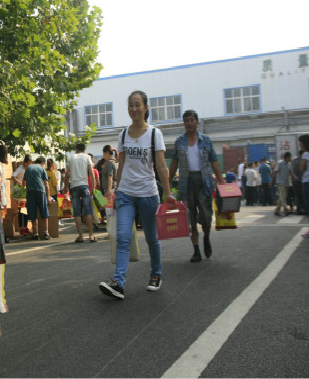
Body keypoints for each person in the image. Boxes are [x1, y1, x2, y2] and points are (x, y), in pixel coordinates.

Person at [99, 91, 175, 299]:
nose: (134, 109)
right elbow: (121, 164)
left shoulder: (154, 134)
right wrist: (116, 192)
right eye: (131, 105)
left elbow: (161, 166)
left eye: (138, 104)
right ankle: (118, 283)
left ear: (146, 107)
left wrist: (168, 193)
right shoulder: (123, 135)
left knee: (151, 237)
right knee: (123, 237)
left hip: (148, 194)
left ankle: (156, 274)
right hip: (126, 194)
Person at [168, 109, 224, 263]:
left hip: (204, 182)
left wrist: (221, 179)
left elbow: (214, 160)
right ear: (184, 124)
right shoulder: (180, 141)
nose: (189, 123)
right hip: (186, 183)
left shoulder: (206, 140)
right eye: (187, 121)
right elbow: (174, 162)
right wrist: (168, 181)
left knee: (206, 215)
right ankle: (196, 250)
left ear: (197, 122)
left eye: (192, 120)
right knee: (190, 217)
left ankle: (206, 236)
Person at [63, 143, 96, 243]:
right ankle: (91, 236)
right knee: (88, 211)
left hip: (74, 187)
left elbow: (67, 174)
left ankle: (81, 236)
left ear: (76, 149)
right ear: (84, 150)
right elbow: (91, 173)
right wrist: (93, 187)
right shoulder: (87, 157)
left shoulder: (71, 158)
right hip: (84, 186)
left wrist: (65, 187)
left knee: (77, 213)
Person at [22, 157, 53, 240]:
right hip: (40, 191)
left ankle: (35, 234)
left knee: (32, 213)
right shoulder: (42, 169)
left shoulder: (28, 168)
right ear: (43, 163)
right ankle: (46, 233)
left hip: (30, 192)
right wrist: (48, 197)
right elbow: (46, 185)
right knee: (44, 212)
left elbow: (23, 183)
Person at [12, 155, 32, 236]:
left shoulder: (29, 169)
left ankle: (26, 227)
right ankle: (21, 228)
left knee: (26, 210)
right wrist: (19, 182)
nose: (28, 165)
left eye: (29, 164)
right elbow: (13, 176)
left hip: (27, 191)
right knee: (21, 210)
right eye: (27, 163)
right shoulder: (20, 168)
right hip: (20, 192)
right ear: (24, 162)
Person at [271, 152, 293, 217]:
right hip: (280, 182)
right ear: (287, 158)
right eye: (290, 157)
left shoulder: (289, 164)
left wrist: (295, 177)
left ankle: (277, 210)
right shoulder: (280, 163)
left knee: (282, 197)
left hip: (286, 183)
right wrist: (272, 181)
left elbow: (291, 173)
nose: (291, 159)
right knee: (283, 196)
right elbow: (275, 172)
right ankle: (286, 209)